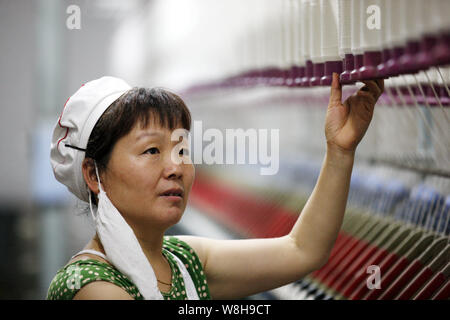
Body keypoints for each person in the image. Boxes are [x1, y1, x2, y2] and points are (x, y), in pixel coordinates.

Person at [46, 73, 384, 300]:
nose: (176, 167)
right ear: (94, 175)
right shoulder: (93, 286)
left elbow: (302, 249)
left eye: (182, 149)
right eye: (151, 151)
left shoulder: (183, 261)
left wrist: (339, 151)